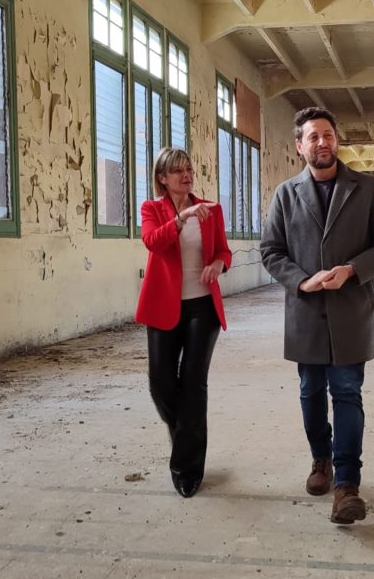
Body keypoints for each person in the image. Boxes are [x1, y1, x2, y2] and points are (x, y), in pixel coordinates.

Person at [260, 107, 374, 525]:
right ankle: (320, 459)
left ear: (336, 140)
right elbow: (271, 251)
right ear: (299, 146)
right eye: (313, 137)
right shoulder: (286, 194)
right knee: (310, 393)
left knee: (347, 393)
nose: (323, 142)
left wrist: (353, 270)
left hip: (350, 311)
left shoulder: (366, 188)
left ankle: (346, 485)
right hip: (306, 312)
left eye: (328, 135)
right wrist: (302, 281)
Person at [135, 148, 232, 498]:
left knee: (193, 385)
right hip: (163, 307)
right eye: (178, 170)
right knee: (161, 385)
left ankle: (186, 469)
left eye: (189, 168)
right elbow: (153, 242)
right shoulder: (152, 209)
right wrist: (181, 217)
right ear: (162, 178)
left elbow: (223, 251)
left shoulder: (211, 209)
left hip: (203, 307)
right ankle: (186, 436)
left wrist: (219, 264)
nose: (186, 175)